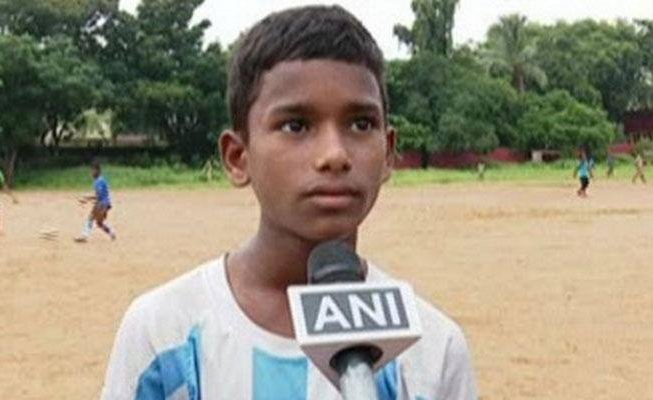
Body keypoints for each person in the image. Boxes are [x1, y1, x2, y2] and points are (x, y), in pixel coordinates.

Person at [101, 6, 477, 400]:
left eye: (361, 124)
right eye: (296, 125)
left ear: (388, 153)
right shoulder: (163, 333)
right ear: (238, 157)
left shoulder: (433, 350)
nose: (334, 154)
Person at [74, 161, 116, 242]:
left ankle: (84, 236)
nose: (91, 173)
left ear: (98, 171)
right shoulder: (101, 180)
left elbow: (98, 196)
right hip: (105, 204)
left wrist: (86, 198)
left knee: (90, 218)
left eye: (93, 170)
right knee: (99, 223)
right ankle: (111, 232)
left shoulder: (99, 181)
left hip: (102, 203)